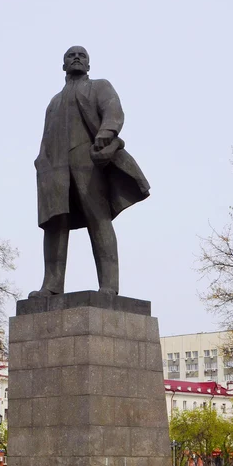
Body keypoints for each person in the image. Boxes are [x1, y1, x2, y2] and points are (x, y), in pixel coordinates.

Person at [29, 46, 150, 298]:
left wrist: (106, 134)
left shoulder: (99, 86)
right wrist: (41, 163)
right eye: (71, 56)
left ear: (88, 65)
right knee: (54, 224)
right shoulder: (53, 102)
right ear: (63, 66)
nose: (76, 58)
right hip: (55, 167)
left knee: (98, 218)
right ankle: (51, 284)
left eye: (82, 55)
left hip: (88, 159)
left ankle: (109, 285)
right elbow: (46, 137)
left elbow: (113, 111)